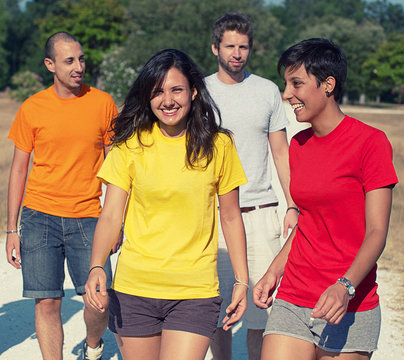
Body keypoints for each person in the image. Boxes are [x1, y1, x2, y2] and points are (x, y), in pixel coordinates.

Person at [85, 48, 249, 360]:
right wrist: (97, 265)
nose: (168, 100)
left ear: (194, 91)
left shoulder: (220, 144)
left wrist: (241, 279)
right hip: (135, 287)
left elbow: (230, 216)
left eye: (176, 89)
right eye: (158, 91)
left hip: (195, 291)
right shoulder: (129, 145)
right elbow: (110, 216)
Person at [253, 38, 398, 360]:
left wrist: (345, 286)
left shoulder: (370, 143)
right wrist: (274, 271)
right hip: (293, 296)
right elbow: (308, 219)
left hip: (349, 302)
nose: (287, 94)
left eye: (297, 84)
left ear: (328, 85)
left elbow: (377, 233)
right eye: (286, 84)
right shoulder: (298, 144)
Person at [5, 32, 118, 360]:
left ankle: (93, 347)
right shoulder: (33, 107)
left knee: (98, 298)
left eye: (81, 59)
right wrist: (12, 229)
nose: (78, 66)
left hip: (88, 217)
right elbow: (18, 170)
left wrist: (118, 220)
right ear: (50, 64)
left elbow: (116, 168)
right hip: (40, 217)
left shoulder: (103, 103)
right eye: (69, 61)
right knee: (47, 301)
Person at [205, 12, 298, 360]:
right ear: (216, 47)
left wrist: (292, 204)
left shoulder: (267, 91)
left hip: (259, 213)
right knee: (217, 310)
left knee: (262, 311)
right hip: (212, 216)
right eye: (230, 46)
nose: (237, 53)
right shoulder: (200, 91)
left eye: (243, 46)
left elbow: (280, 151)